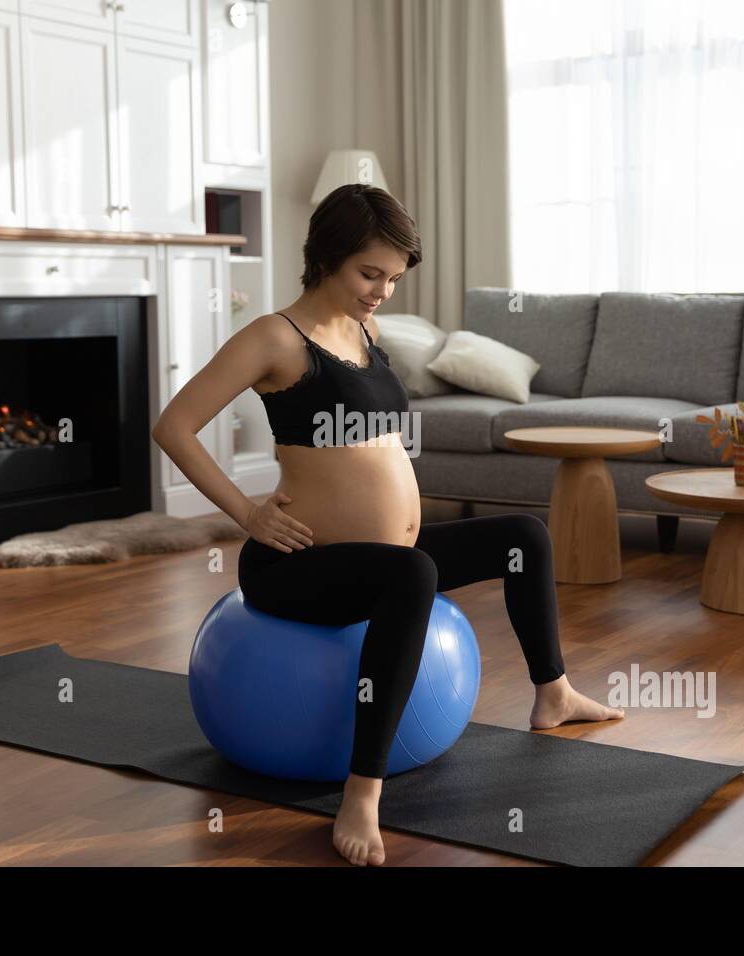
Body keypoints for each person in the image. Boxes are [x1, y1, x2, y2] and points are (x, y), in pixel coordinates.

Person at [151, 183, 624, 867]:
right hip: (299, 563)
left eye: (393, 278)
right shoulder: (274, 338)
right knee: (414, 573)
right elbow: (174, 426)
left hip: (380, 555)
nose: (383, 292)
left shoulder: (367, 332)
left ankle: (552, 694)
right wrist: (248, 513)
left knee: (522, 535)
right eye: (370, 273)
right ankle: (363, 791)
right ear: (326, 257)